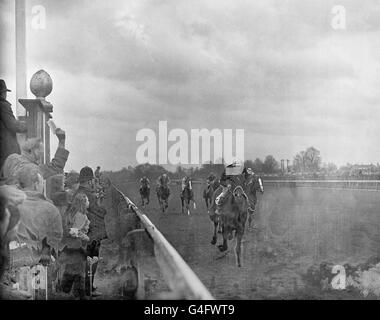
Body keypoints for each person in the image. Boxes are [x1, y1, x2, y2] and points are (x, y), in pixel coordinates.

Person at [11, 166, 63, 267]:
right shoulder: (50, 209)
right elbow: (56, 237)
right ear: (36, 185)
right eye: (42, 183)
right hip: (34, 263)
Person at [70, 166, 107, 297]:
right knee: (93, 260)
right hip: (92, 232)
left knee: (83, 260)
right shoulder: (89, 194)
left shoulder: (77, 193)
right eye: (92, 180)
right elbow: (101, 212)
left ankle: (84, 288)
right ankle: (88, 289)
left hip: (81, 232)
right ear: (90, 181)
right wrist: (100, 202)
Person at [2, 128, 69, 184]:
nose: (40, 155)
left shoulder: (11, 158)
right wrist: (62, 142)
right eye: (39, 152)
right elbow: (55, 167)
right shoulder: (33, 169)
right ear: (31, 150)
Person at [59, 193, 90, 299]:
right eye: (87, 201)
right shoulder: (81, 215)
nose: (88, 202)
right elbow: (76, 231)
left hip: (70, 246)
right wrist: (86, 238)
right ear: (83, 203)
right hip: (78, 246)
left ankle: (64, 290)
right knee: (80, 272)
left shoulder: (71, 213)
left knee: (70, 269)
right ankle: (80, 294)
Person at [0, 79, 27, 170]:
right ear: (3, 93)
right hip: (7, 152)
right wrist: (28, 125)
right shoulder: (3, 105)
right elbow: (13, 125)